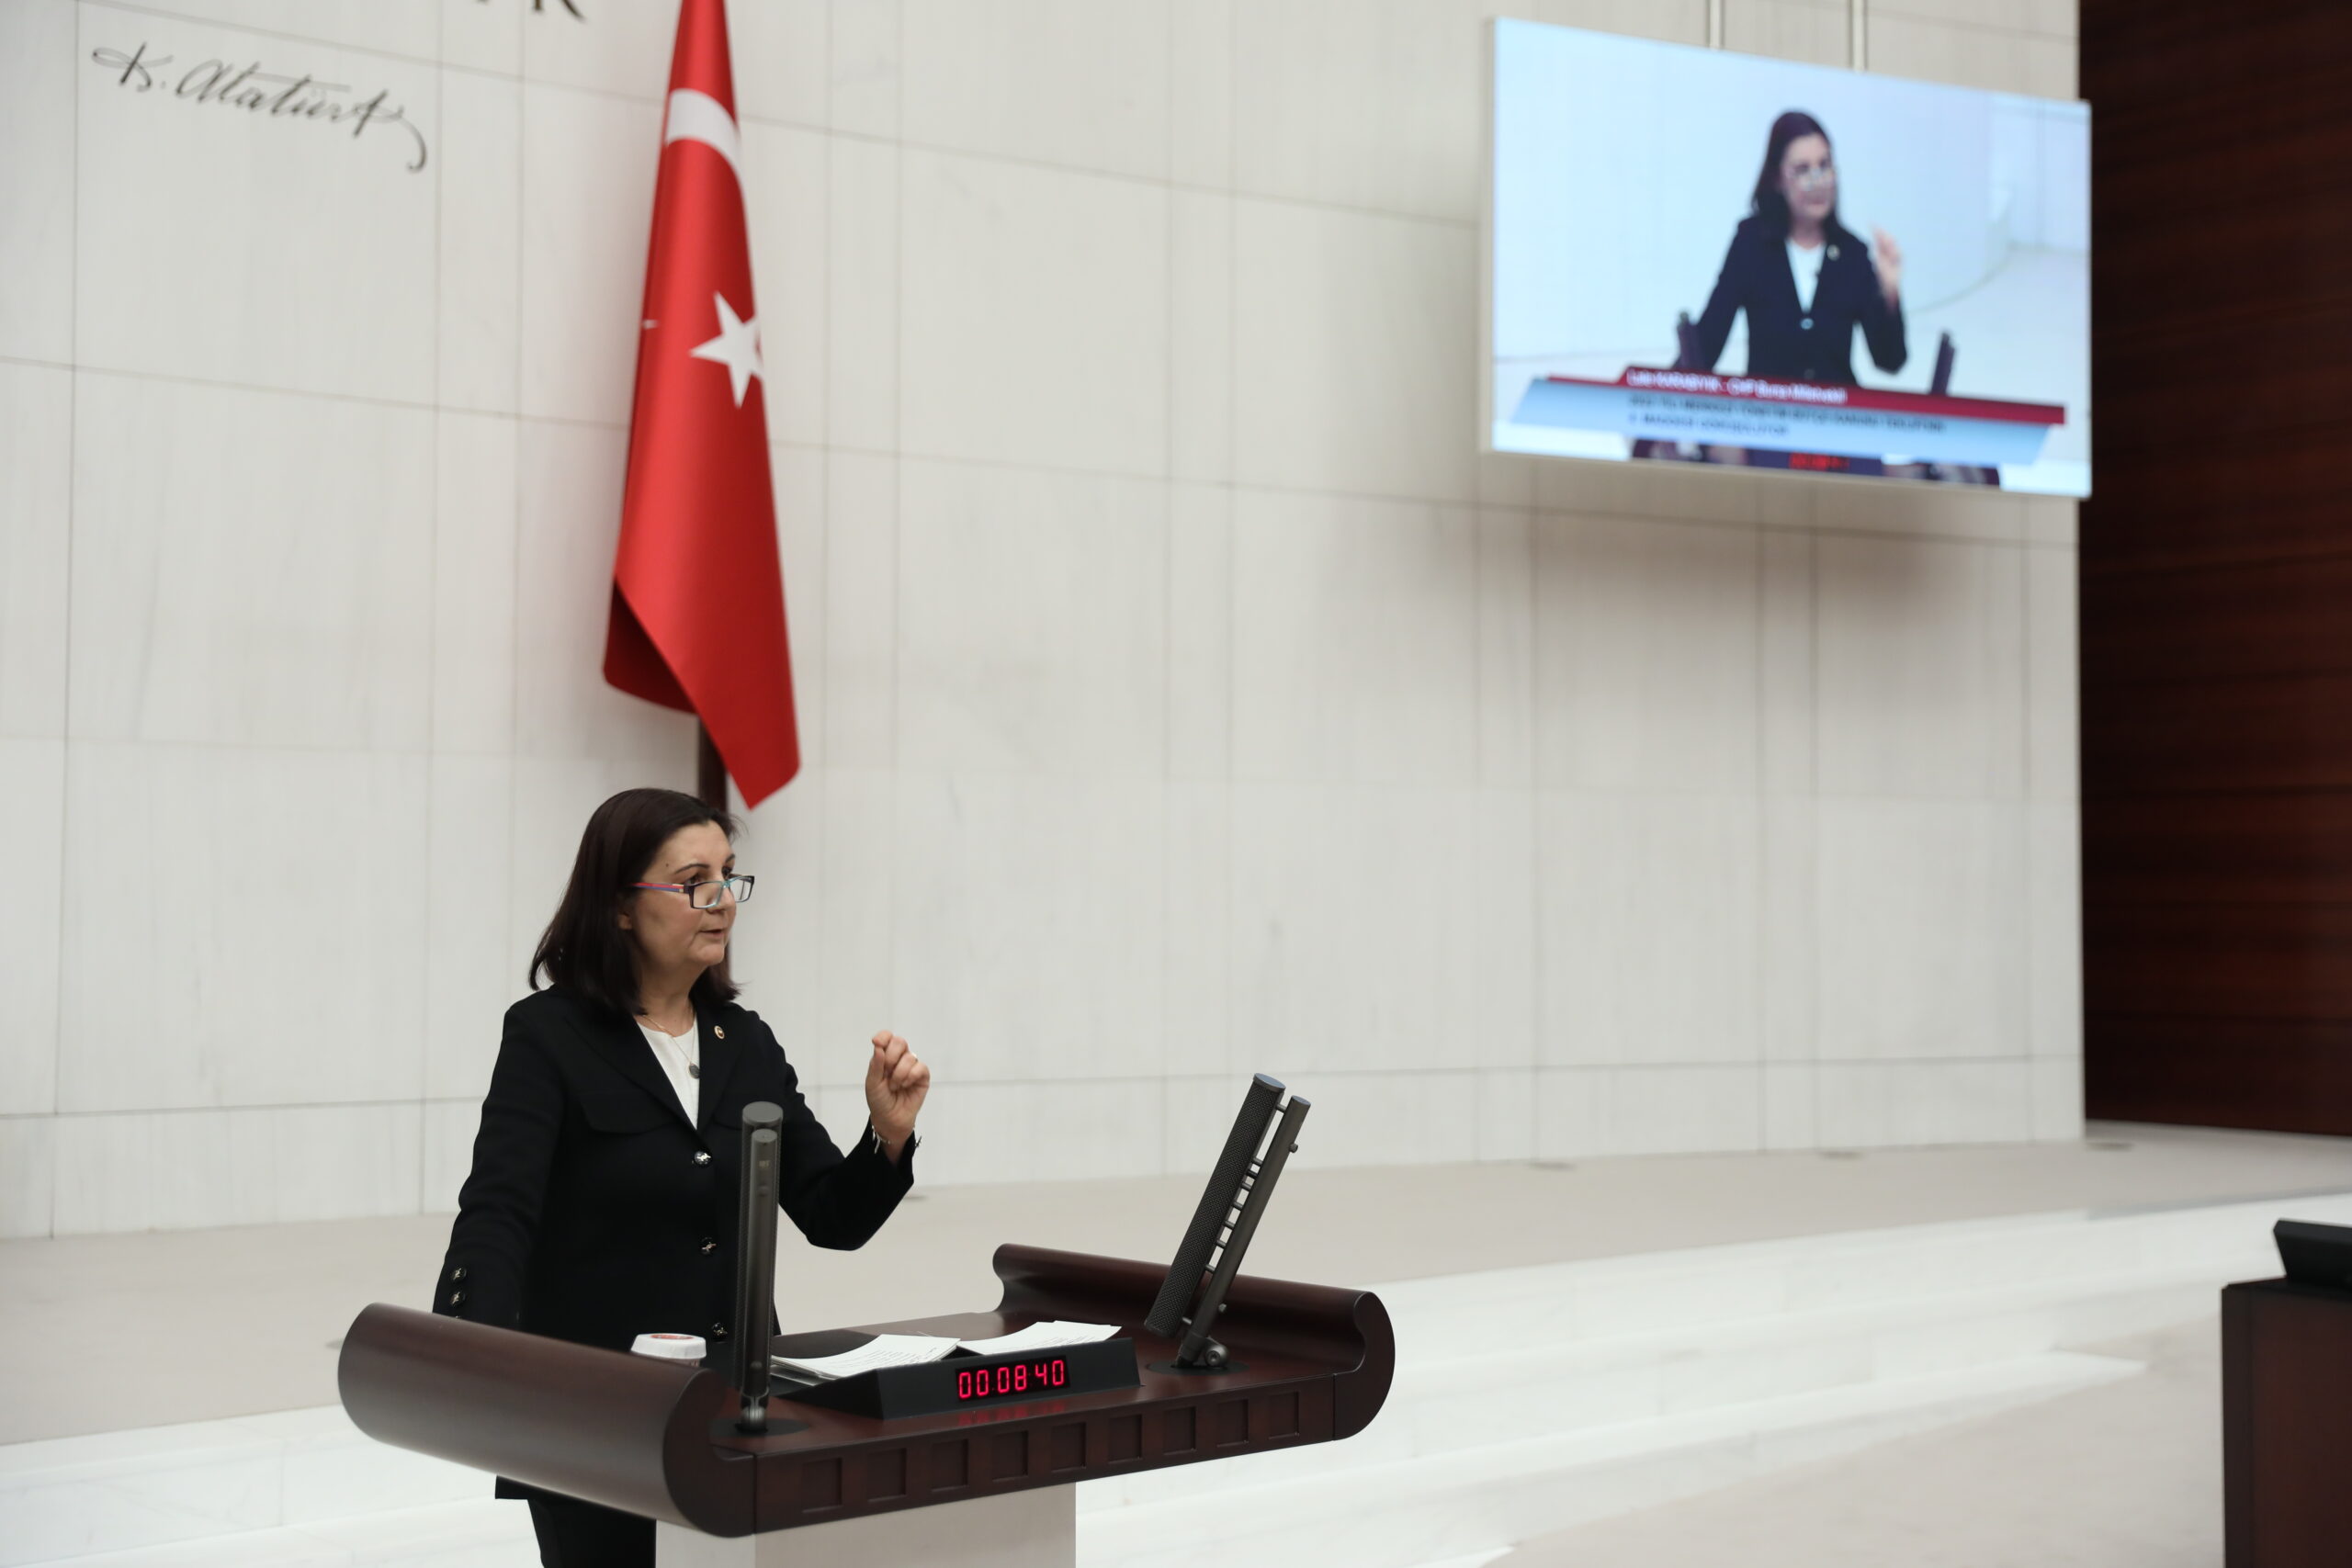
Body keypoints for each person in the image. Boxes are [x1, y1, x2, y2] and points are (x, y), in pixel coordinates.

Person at [432, 787, 931, 1568]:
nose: (723, 899)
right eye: (695, 881)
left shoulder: (746, 1042)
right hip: (594, 1418)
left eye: (729, 875)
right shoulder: (549, 1036)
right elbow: (499, 1211)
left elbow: (832, 1215)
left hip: (735, 1409)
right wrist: (475, 1357)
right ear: (621, 906)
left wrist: (887, 1134)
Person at [1689, 109, 1907, 387]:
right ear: (1778, 179)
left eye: (1824, 166)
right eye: (1802, 170)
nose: (1818, 182)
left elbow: (1890, 361)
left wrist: (1889, 292)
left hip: (1835, 410)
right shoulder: (1752, 244)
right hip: (1768, 409)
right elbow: (1705, 347)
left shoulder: (1852, 253)